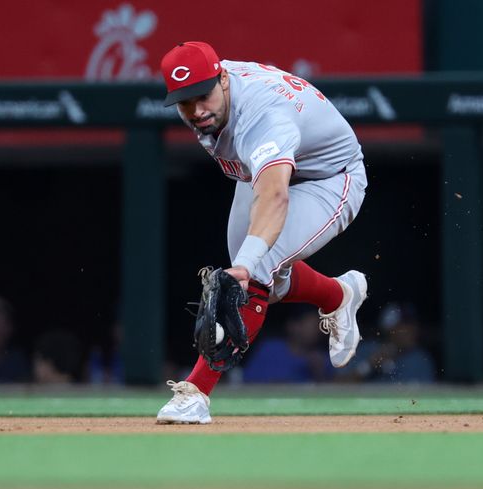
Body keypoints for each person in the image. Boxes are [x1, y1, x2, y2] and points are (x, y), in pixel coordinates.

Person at [156, 42, 368, 424]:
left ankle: (195, 393)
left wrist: (247, 265)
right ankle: (339, 294)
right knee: (266, 283)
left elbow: (274, 195)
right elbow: (265, 182)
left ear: (222, 78)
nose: (197, 109)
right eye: (185, 102)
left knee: (251, 273)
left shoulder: (263, 117)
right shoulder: (216, 96)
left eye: (203, 95)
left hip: (329, 180)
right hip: (266, 172)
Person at [338, 302, 435, 383]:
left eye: (413, 325)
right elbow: (337, 387)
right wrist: (369, 365)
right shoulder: (367, 350)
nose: (413, 330)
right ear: (390, 329)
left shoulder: (420, 359)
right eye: (405, 325)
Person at [243, 305, 334, 383]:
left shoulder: (324, 357)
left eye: (317, 325)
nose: (316, 330)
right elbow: (248, 381)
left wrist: (319, 373)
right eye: (311, 325)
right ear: (292, 326)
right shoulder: (270, 349)